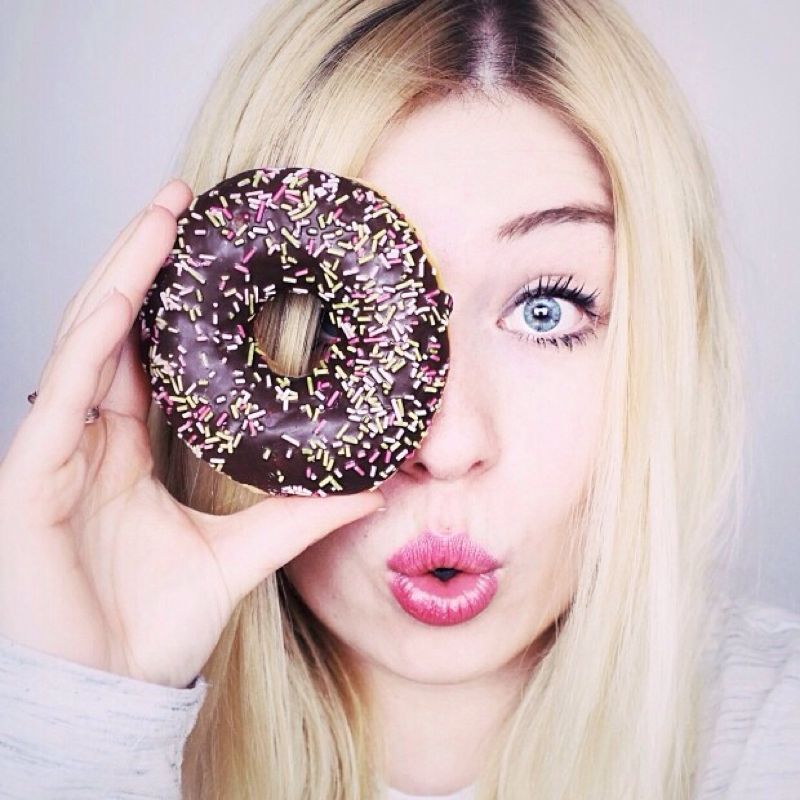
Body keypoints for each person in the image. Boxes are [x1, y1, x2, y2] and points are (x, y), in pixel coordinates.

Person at [1, 0, 798, 798]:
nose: (445, 446)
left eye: (545, 310)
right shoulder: (65, 743)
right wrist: (86, 726)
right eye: (332, 316)